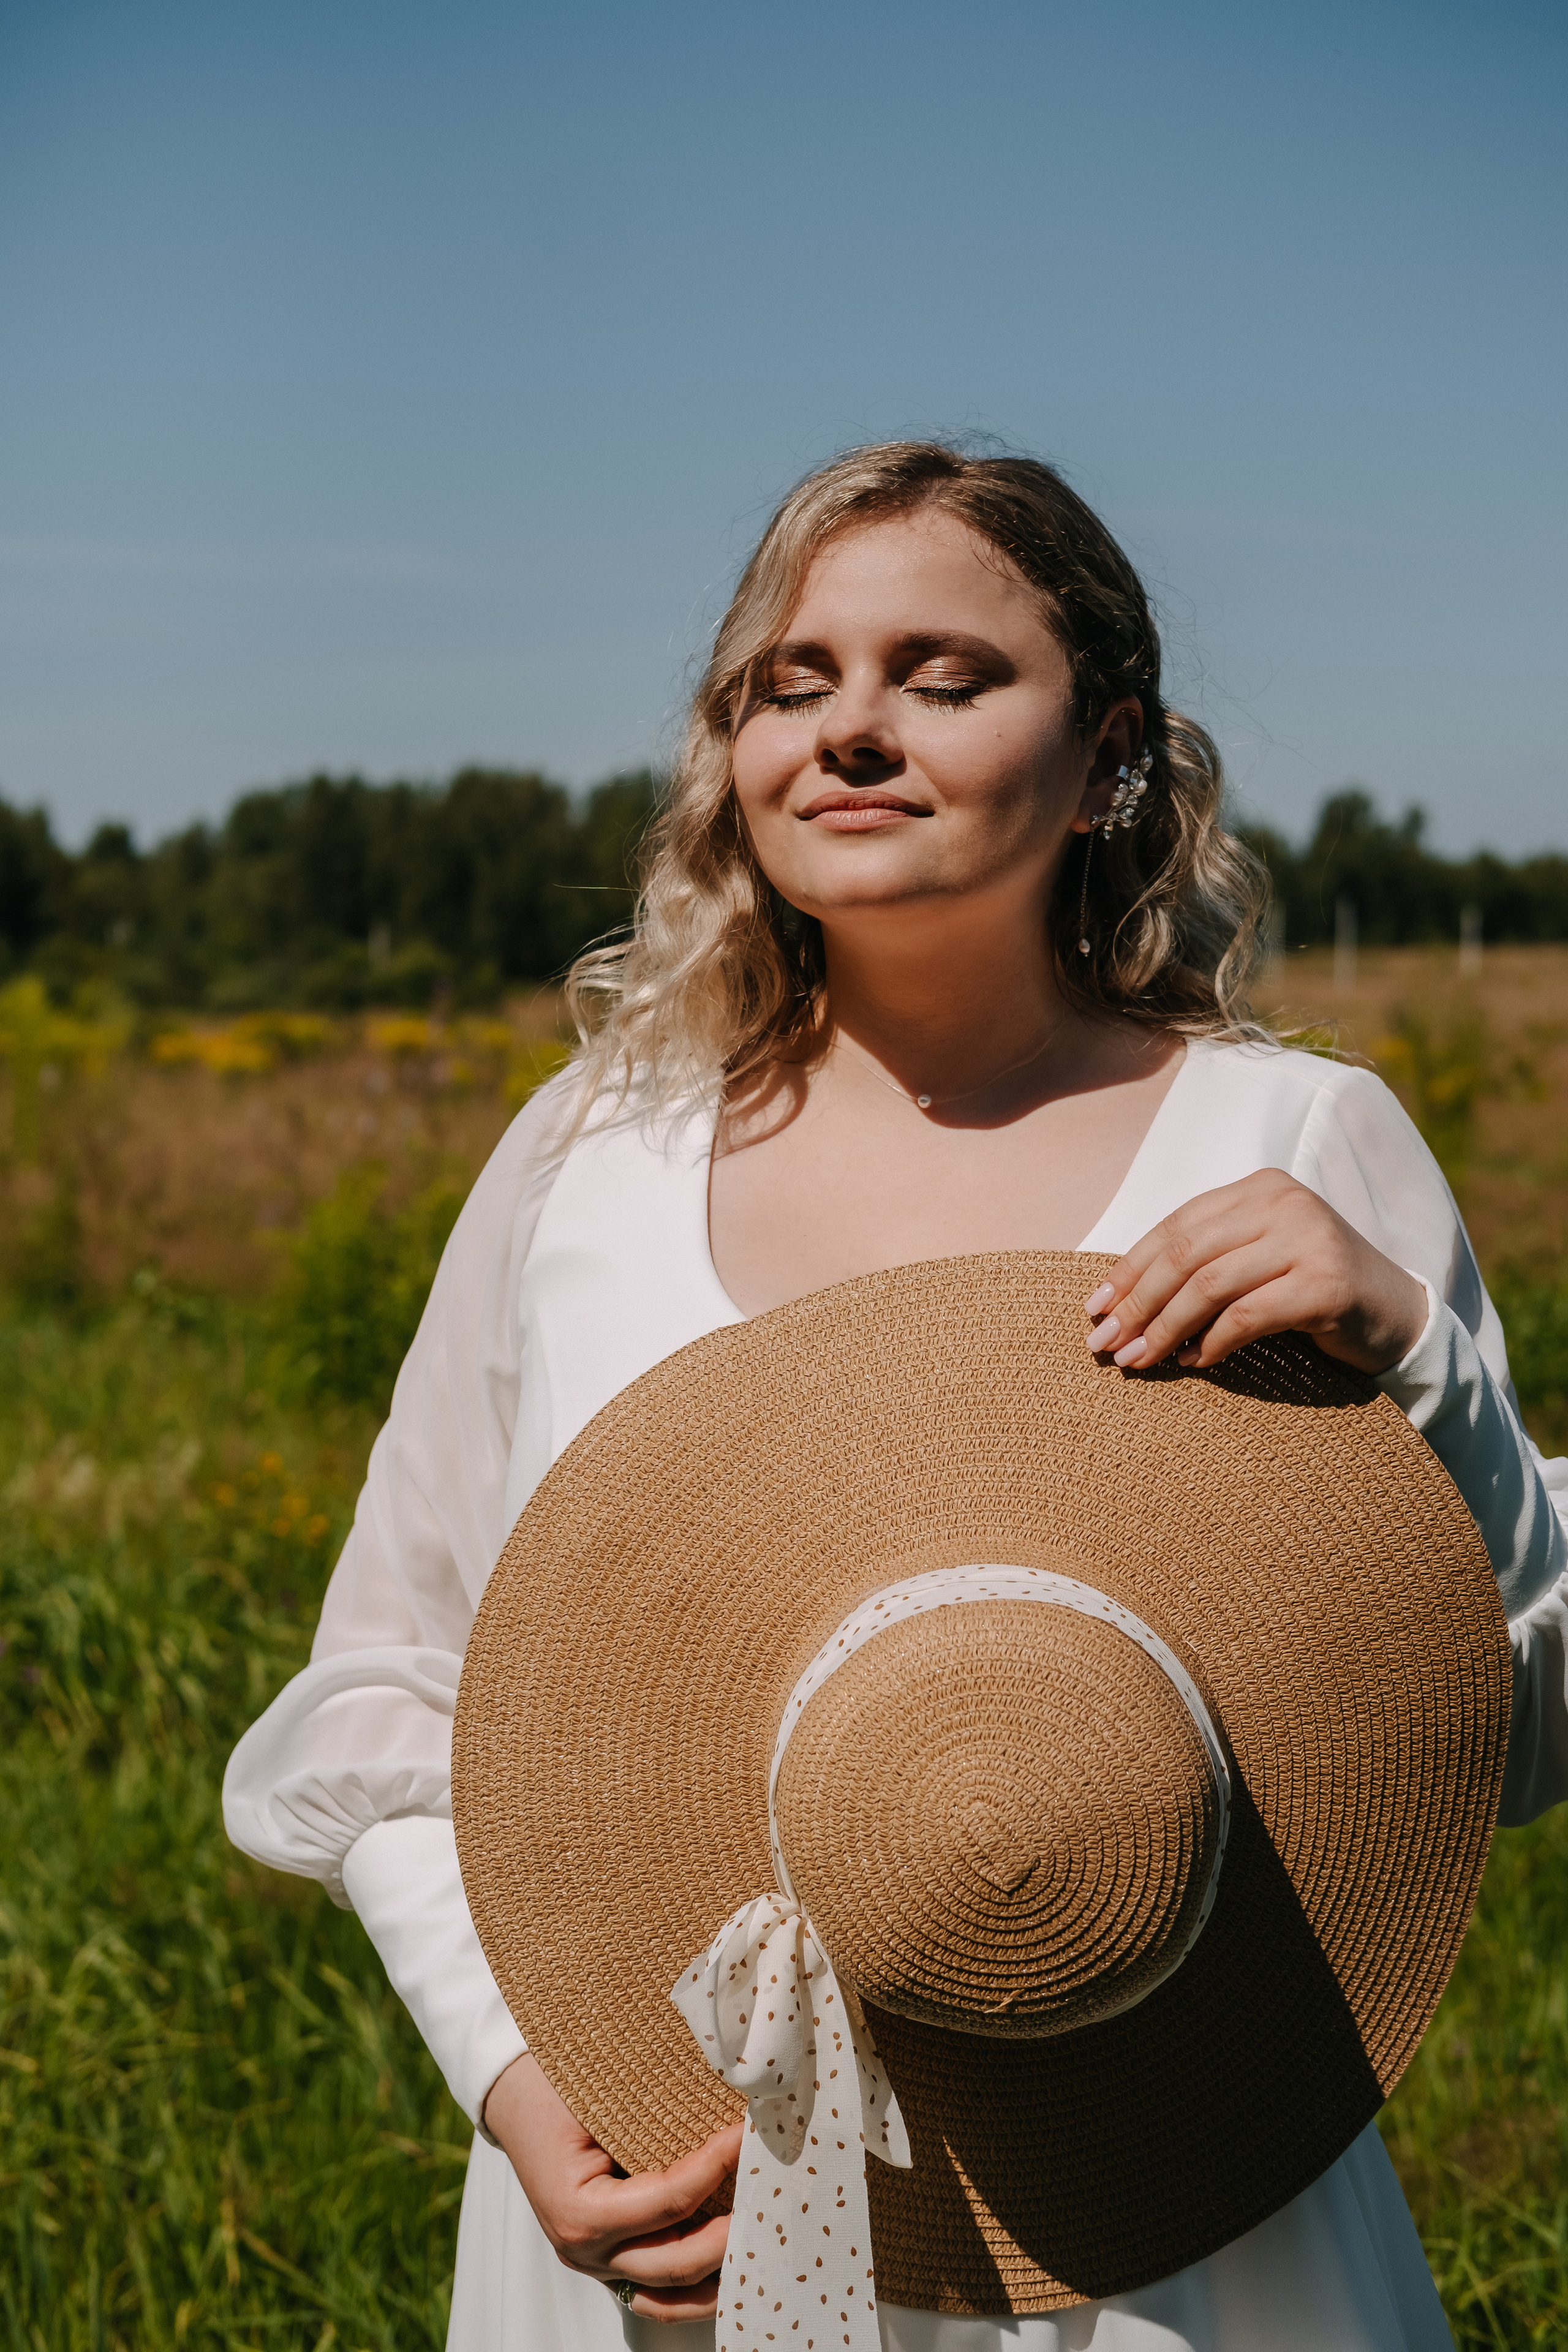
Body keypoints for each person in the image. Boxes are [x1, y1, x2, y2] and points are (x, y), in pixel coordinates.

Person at [225, 441, 1568, 2351]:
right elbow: (388, 1688)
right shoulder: (586, 1159)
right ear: (736, 751)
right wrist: (531, 2090)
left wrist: (1420, 1379)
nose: (853, 730)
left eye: (945, 676)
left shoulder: (1291, 1144)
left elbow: (1502, 1732)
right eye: (797, 681)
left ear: (1114, 750)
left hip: (1170, 2230)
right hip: (674, 2194)